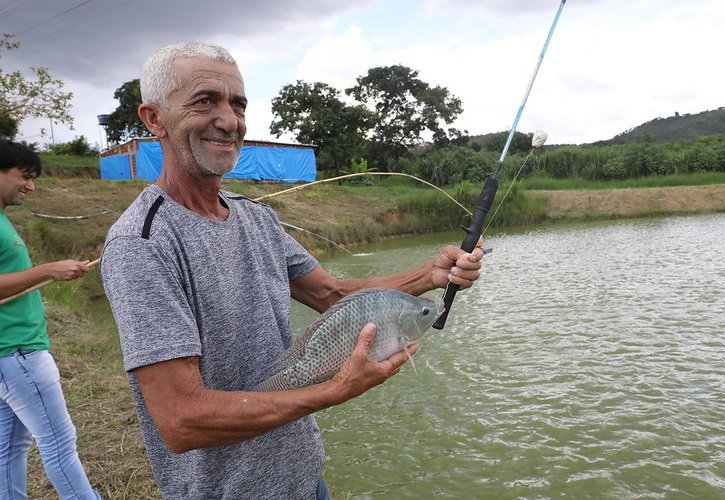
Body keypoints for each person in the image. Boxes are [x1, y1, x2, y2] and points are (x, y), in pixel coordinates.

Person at [100, 41, 484, 500]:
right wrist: (334, 390)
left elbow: (333, 296)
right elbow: (181, 419)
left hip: (303, 476)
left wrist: (431, 275)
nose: (229, 120)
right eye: (205, 101)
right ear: (154, 118)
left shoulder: (256, 218)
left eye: (238, 104)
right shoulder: (142, 244)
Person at [0, 139, 101, 499]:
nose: (30, 186)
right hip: (19, 353)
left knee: (9, 449)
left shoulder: (3, 221)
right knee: (60, 445)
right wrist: (48, 269)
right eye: (24, 177)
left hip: (11, 356)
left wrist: (52, 272)